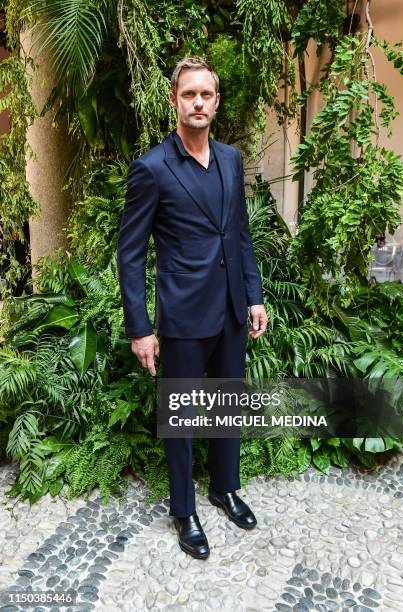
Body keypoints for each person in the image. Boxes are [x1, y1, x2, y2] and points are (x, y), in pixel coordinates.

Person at [117, 56, 268, 560]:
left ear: (216, 101)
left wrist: (254, 294)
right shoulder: (153, 169)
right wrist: (140, 328)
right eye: (189, 95)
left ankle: (224, 487)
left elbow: (240, 234)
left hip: (229, 311)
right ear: (174, 102)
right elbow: (130, 253)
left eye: (206, 94)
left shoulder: (230, 158)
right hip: (181, 316)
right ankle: (183, 509)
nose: (198, 102)